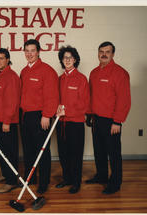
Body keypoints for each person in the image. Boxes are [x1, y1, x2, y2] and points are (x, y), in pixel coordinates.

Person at [85, 41, 131, 194]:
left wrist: (117, 121)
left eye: (107, 52)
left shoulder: (120, 73)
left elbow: (124, 100)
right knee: (99, 151)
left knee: (113, 153)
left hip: (112, 121)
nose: (104, 54)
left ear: (113, 54)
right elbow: (91, 96)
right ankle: (102, 176)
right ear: (98, 53)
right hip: (96, 118)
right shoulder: (94, 73)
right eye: (101, 51)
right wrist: (89, 114)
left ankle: (115, 183)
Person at [20, 39, 59, 194]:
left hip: (40, 116)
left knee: (42, 151)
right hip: (25, 116)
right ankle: (30, 179)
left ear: (38, 52)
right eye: (27, 51)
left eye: (32, 50)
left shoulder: (47, 70)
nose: (29, 54)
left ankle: (43, 182)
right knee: (28, 151)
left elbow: (52, 96)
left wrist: (46, 115)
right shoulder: (24, 71)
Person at [55, 46, 90, 194]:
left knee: (75, 154)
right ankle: (67, 178)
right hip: (61, 122)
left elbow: (85, 104)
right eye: (65, 58)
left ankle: (76, 182)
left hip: (75, 123)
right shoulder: (60, 79)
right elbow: (55, 99)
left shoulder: (81, 79)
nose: (67, 60)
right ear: (62, 60)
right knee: (63, 153)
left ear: (75, 60)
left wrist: (67, 111)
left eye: (70, 58)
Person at [0, 48, 20, 193]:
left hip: (7, 122)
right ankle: (6, 174)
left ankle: (11, 181)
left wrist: (7, 121)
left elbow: (12, 102)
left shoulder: (11, 77)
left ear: (8, 59)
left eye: (1, 58)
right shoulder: (0, 75)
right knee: (1, 150)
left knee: (9, 151)